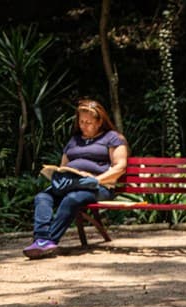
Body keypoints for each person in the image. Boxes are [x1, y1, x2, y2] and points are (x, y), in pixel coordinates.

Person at [23, 99, 128, 259]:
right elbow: (63, 165)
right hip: (71, 183)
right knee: (42, 197)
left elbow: (120, 167)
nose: (83, 125)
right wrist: (58, 177)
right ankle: (41, 239)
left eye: (88, 122)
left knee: (73, 199)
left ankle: (49, 242)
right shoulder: (74, 140)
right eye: (81, 122)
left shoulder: (112, 137)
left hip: (98, 186)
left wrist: (97, 180)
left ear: (99, 122)